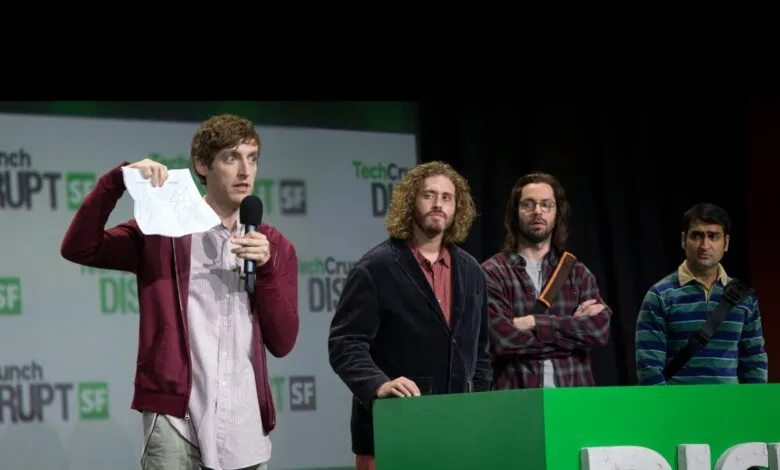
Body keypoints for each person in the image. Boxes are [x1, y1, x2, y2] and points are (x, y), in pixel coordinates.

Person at [60, 114, 299, 470]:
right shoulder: (164, 230)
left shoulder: (274, 245)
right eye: (231, 158)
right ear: (203, 165)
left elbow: (282, 342)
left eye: (252, 158)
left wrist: (264, 270)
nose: (245, 171)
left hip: (244, 427)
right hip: (176, 420)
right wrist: (117, 182)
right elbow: (79, 247)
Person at [327, 161, 492, 470]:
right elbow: (345, 344)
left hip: (459, 433)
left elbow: (480, 353)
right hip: (393, 428)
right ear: (410, 201)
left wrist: (477, 407)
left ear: (458, 207)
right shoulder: (376, 267)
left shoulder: (472, 271)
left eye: (447, 197)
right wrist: (378, 384)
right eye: (429, 195)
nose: (438, 204)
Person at [481, 172, 612, 389]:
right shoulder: (492, 273)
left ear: (557, 212)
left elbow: (598, 331)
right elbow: (501, 340)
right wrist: (571, 337)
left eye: (546, 205)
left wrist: (533, 322)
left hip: (573, 400)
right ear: (515, 213)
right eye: (528, 204)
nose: (538, 211)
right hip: (516, 400)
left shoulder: (577, 273)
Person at [635, 202, 767, 385]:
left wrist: (751, 409)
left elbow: (755, 363)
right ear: (683, 240)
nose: (705, 245)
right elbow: (648, 368)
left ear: (726, 243)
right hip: (678, 409)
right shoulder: (659, 296)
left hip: (730, 409)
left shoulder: (745, 299)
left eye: (713, 236)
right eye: (697, 235)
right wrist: (667, 411)